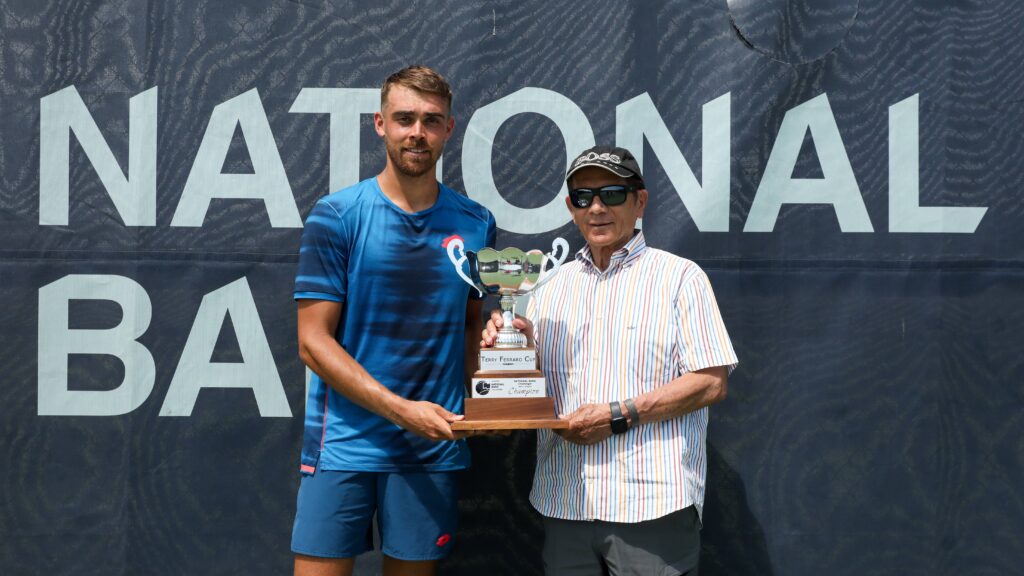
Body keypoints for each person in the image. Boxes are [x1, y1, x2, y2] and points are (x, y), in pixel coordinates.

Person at [483, 145, 738, 576]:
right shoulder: (545, 287)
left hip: (652, 505)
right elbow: (532, 392)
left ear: (640, 200)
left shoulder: (680, 278)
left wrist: (619, 415)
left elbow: (711, 382)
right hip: (566, 502)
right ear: (570, 207)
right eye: (583, 198)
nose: (597, 208)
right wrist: (511, 350)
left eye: (612, 194)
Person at [291, 65, 496, 576]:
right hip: (342, 443)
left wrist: (494, 390)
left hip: (432, 445)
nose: (417, 133)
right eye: (404, 118)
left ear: (450, 129)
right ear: (380, 124)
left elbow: (473, 327)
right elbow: (312, 343)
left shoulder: (476, 222)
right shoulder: (336, 216)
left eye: (431, 120)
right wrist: (402, 410)